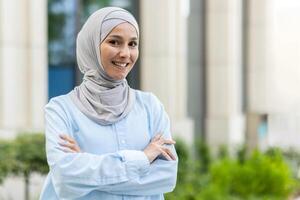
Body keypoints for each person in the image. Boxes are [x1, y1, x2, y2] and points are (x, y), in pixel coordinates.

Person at [40, 6, 178, 200]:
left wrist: (86, 169)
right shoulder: (61, 109)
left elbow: (166, 177)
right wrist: (143, 158)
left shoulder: (150, 107)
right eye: (114, 42)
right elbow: (65, 179)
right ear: (92, 45)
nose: (125, 53)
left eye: (132, 44)